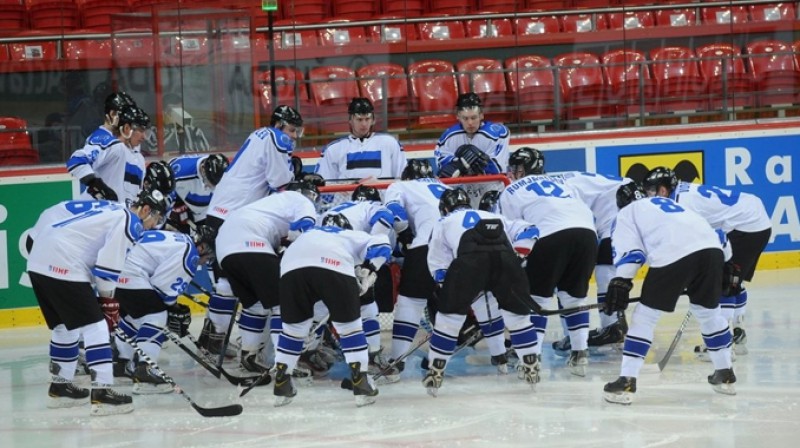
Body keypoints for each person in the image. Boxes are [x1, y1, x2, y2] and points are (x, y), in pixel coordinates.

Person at [26, 188, 168, 416]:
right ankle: (102, 393)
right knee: (97, 327)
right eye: (156, 219)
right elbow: (106, 269)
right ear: (146, 209)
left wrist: (104, 298)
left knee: (65, 327)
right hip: (64, 262)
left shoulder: (113, 209)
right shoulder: (129, 221)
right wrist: (108, 301)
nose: (154, 226)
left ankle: (60, 388)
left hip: (38, 260)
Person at [602, 183, 736, 405]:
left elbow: (630, 253)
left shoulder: (626, 213)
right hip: (712, 252)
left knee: (645, 316)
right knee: (709, 313)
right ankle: (725, 374)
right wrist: (728, 263)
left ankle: (627, 380)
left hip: (673, 254)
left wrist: (621, 282)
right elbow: (720, 235)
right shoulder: (672, 204)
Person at [201, 105, 303, 361]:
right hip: (235, 221)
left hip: (219, 214)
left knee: (226, 285)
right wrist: (295, 174)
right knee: (248, 293)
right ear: (280, 125)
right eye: (292, 130)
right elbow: (280, 182)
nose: (294, 137)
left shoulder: (259, 136)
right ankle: (222, 341)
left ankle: (212, 336)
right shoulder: (275, 137)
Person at [642, 167, 772, 358]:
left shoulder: (683, 205)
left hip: (747, 225)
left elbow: (709, 239)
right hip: (755, 218)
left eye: (651, 190)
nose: (649, 196)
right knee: (734, 279)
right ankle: (738, 330)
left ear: (663, 190)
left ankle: (724, 342)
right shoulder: (681, 194)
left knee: (725, 282)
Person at [422, 188, 541, 396]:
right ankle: (531, 365)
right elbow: (530, 230)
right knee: (518, 318)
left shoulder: (443, 222)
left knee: (448, 320)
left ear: (445, 208)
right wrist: (519, 256)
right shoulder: (494, 215)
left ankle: (436, 370)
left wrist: (449, 285)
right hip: (505, 260)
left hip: (470, 262)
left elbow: (438, 262)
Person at [273, 215, 392, 407]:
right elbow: (383, 245)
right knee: (350, 328)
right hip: (334, 266)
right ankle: (361, 382)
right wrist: (370, 269)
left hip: (291, 270)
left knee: (293, 330)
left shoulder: (307, 234)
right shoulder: (352, 234)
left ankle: (282, 380)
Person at [499, 147, 598, 376]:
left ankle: (532, 358)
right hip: (587, 234)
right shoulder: (564, 184)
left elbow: (515, 230)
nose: (512, 173)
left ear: (521, 170)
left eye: (515, 169)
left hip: (549, 234)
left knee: (538, 299)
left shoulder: (511, 189)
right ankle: (580, 353)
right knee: (574, 298)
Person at [212, 181, 319, 378]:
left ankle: (249, 356)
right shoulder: (301, 201)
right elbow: (303, 228)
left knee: (256, 306)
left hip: (224, 249)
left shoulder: (269, 203)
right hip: (252, 243)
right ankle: (284, 363)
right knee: (283, 304)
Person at [113, 225, 216, 394]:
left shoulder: (180, 240)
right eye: (209, 257)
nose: (206, 262)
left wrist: (172, 307)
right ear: (202, 247)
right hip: (133, 275)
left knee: (136, 317)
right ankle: (145, 370)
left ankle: (121, 365)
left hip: (118, 273)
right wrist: (173, 311)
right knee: (156, 316)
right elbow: (162, 291)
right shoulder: (189, 255)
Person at [319, 185, 399, 380]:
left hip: (315, 256)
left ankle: (308, 351)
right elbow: (385, 219)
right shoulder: (371, 207)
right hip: (345, 254)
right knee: (366, 304)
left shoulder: (329, 211)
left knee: (318, 306)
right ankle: (371, 355)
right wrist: (370, 263)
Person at [383, 160, 451, 371]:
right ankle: (442, 356)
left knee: (410, 302)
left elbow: (394, 210)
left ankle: (397, 359)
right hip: (461, 247)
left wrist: (405, 234)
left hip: (427, 244)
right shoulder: (447, 187)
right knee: (452, 305)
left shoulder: (401, 185)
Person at [66, 100, 150, 207]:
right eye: (140, 130)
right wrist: (95, 184)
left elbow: (135, 194)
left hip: (119, 217)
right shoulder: (113, 147)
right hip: (96, 213)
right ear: (127, 128)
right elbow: (76, 160)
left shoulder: (139, 159)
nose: (144, 137)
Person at [314, 97, 407, 180]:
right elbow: (324, 185)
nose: (364, 124)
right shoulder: (333, 149)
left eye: (367, 119)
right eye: (359, 120)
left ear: (373, 120)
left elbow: (402, 178)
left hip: (382, 199)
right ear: (350, 120)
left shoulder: (389, 143)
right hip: (347, 199)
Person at [434, 92, 510, 178]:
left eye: (473, 118)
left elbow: (499, 168)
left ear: (481, 115)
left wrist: (479, 161)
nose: (470, 123)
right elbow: (442, 168)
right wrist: (460, 163)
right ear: (458, 116)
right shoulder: (449, 137)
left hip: (491, 186)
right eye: (465, 118)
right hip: (462, 187)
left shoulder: (496, 134)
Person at [167, 153, 229, 234]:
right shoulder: (180, 172)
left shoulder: (227, 174)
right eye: (209, 182)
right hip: (182, 214)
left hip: (207, 212)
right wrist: (175, 207)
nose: (210, 187)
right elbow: (164, 191)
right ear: (203, 169)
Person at [143, 92, 210, 155]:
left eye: (180, 111)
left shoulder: (194, 131)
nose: (178, 114)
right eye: (172, 111)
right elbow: (153, 150)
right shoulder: (153, 131)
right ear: (163, 113)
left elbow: (205, 152)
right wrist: (171, 128)